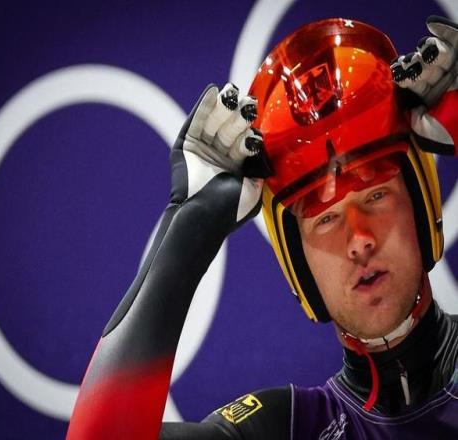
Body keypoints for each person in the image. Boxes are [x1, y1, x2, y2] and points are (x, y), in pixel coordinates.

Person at [67, 16, 458, 439]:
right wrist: (190, 226)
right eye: (325, 218)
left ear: (422, 208)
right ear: (299, 264)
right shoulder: (288, 428)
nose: (359, 240)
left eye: (376, 196)